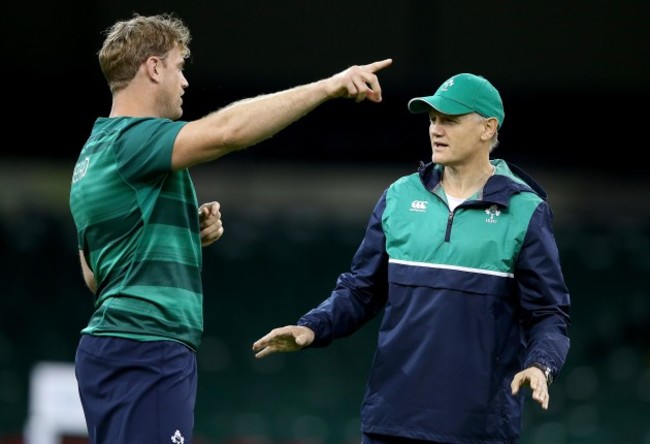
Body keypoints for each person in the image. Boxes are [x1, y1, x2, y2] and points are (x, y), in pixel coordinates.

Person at [68, 12, 392, 444]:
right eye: (180, 67)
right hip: (146, 350)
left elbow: (96, 276)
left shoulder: (93, 154)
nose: (184, 82)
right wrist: (328, 86)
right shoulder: (133, 141)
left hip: (115, 349)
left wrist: (182, 235)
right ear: (154, 67)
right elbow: (228, 132)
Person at [252, 73, 571, 444]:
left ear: (488, 128)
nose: (436, 129)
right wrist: (312, 327)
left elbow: (549, 313)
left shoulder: (525, 211)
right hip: (390, 420)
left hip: (478, 428)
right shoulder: (399, 196)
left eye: (450, 120)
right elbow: (361, 289)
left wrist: (540, 364)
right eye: (432, 119)